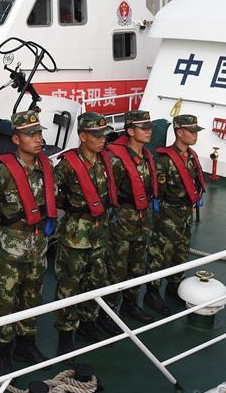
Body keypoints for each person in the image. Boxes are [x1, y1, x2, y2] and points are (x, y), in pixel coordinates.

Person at [0, 110, 56, 376]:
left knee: (32, 295)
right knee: (5, 299)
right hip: (12, 245)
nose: (37, 139)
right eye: (30, 134)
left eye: (39, 133)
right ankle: (1, 350)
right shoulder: (3, 174)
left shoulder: (45, 167)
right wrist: (10, 223)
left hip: (38, 244)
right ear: (16, 139)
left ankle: (26, 343)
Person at [52, 112, 121, 356]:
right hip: (75, 234)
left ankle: (88, 322)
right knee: (69, 283)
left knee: (96, 280)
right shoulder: (67, 165)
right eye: (97, 135)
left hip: (100, 233)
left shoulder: (106, 161)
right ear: (83, 136)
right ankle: (65, 332)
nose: (103, 139)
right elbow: (49, 193)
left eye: (104, 135)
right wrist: (69, 206)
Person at [106, 110, 159, 324]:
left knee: (137, 265)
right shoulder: (117, 159)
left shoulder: (147, 156)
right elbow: (110, 191)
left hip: (143, 219)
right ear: (130, 131)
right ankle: (107, 312)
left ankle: (130, 304)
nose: (148, 132)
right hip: (122, 220)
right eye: (143, 128)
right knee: (116, 268)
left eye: (149, 127)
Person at [151, 115, 207, 304]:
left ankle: (173, 286)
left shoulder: (191, 156)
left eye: (196, 132)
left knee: (181, 252)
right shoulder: (165, 160)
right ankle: (153, 292)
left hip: (185, 214)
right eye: (192, 132)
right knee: (161, 253)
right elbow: (160, 190)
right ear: (179, 132)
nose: (195, 136)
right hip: (169, 214)